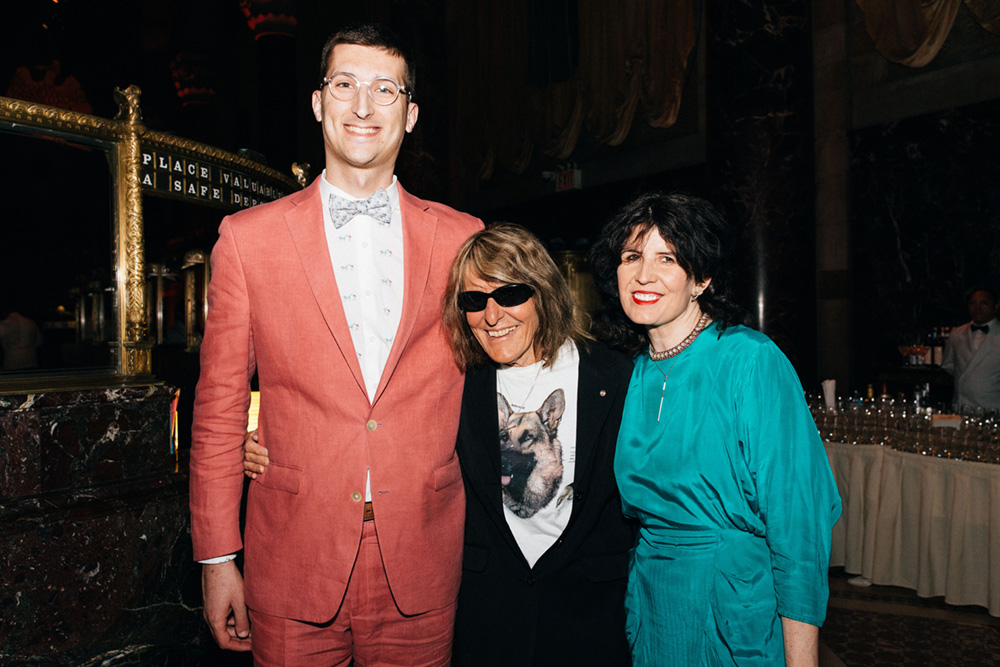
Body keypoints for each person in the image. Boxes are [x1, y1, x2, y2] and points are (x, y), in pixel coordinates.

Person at [189, 22, 482, 666]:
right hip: (292, 554)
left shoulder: (465, 239)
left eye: (384, 90)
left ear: (409, 116)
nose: (362, 105)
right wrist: (216, 557)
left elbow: (502, 372)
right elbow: (218, 407)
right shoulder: (246, 239)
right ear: (319, 104)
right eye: (344, 84)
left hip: (424, 552)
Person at [246, 223, 636, 665]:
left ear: (543, 292)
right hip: (489, 614)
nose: (492, 316)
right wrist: (271, 441)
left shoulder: (615, 376)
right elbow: (375, 424)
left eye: (510, 295)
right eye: (474, 301)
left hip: (589, 614)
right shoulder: (454, 381)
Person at [588, 191, 841, 667]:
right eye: (631, 256)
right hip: (652, 604)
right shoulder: (628, 373)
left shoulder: (749, 360)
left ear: (701, 278)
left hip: (733, 610)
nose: (644, 274)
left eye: (667, 258)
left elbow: (799, 526)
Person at [941, 286, 1000, 413]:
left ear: (996, 306)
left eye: (984, 303)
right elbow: (949, 365)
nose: (977, 308)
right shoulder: (957, 333)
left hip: (993, 408)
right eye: (973, 303)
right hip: (962, 406)